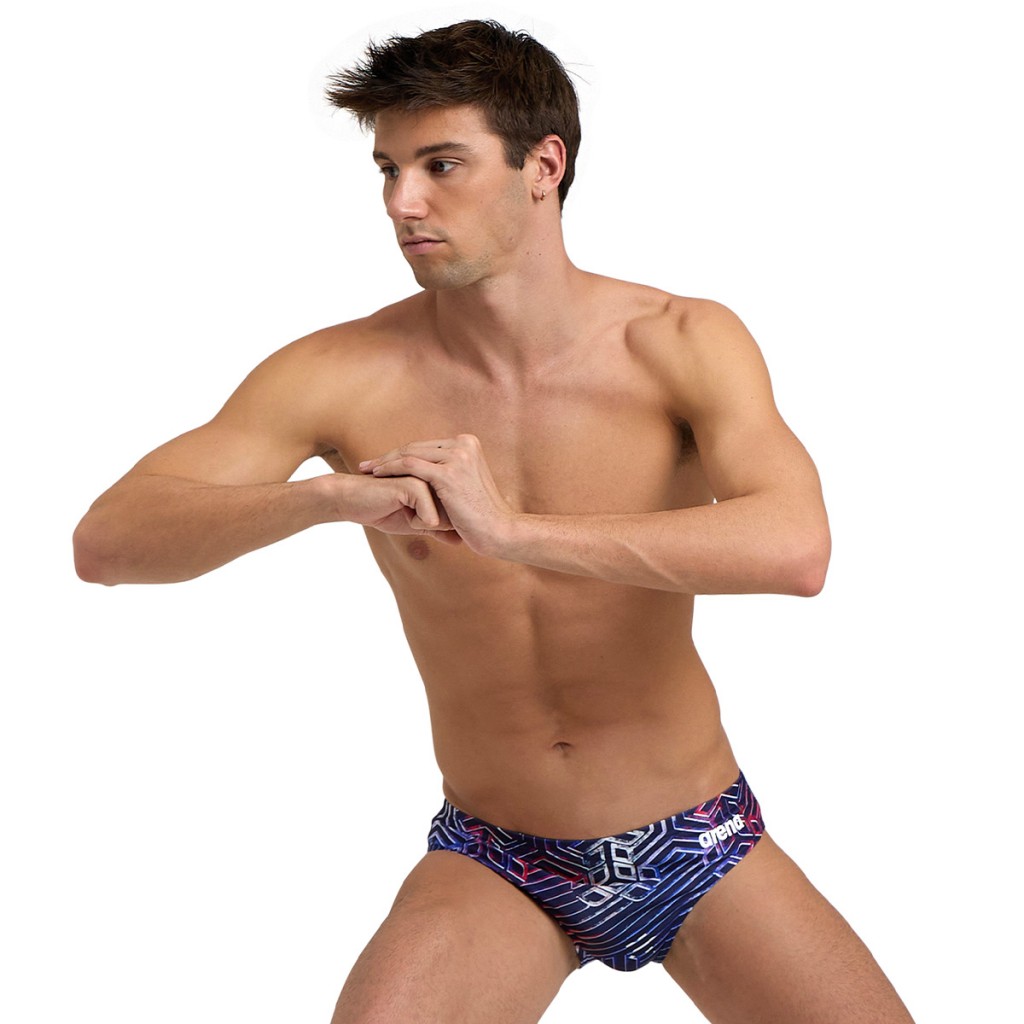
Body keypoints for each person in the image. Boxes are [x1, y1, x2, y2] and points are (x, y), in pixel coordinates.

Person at [73, 19, 915, 1024]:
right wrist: (325, 499)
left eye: (441, 165)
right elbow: (108, 542)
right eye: (387, 170)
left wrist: (513, 530)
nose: (403, 202)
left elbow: (795, 547)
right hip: (496, 855)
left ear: (542, 166)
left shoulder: (680, 341)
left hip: (698, 839)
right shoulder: (339, 372)